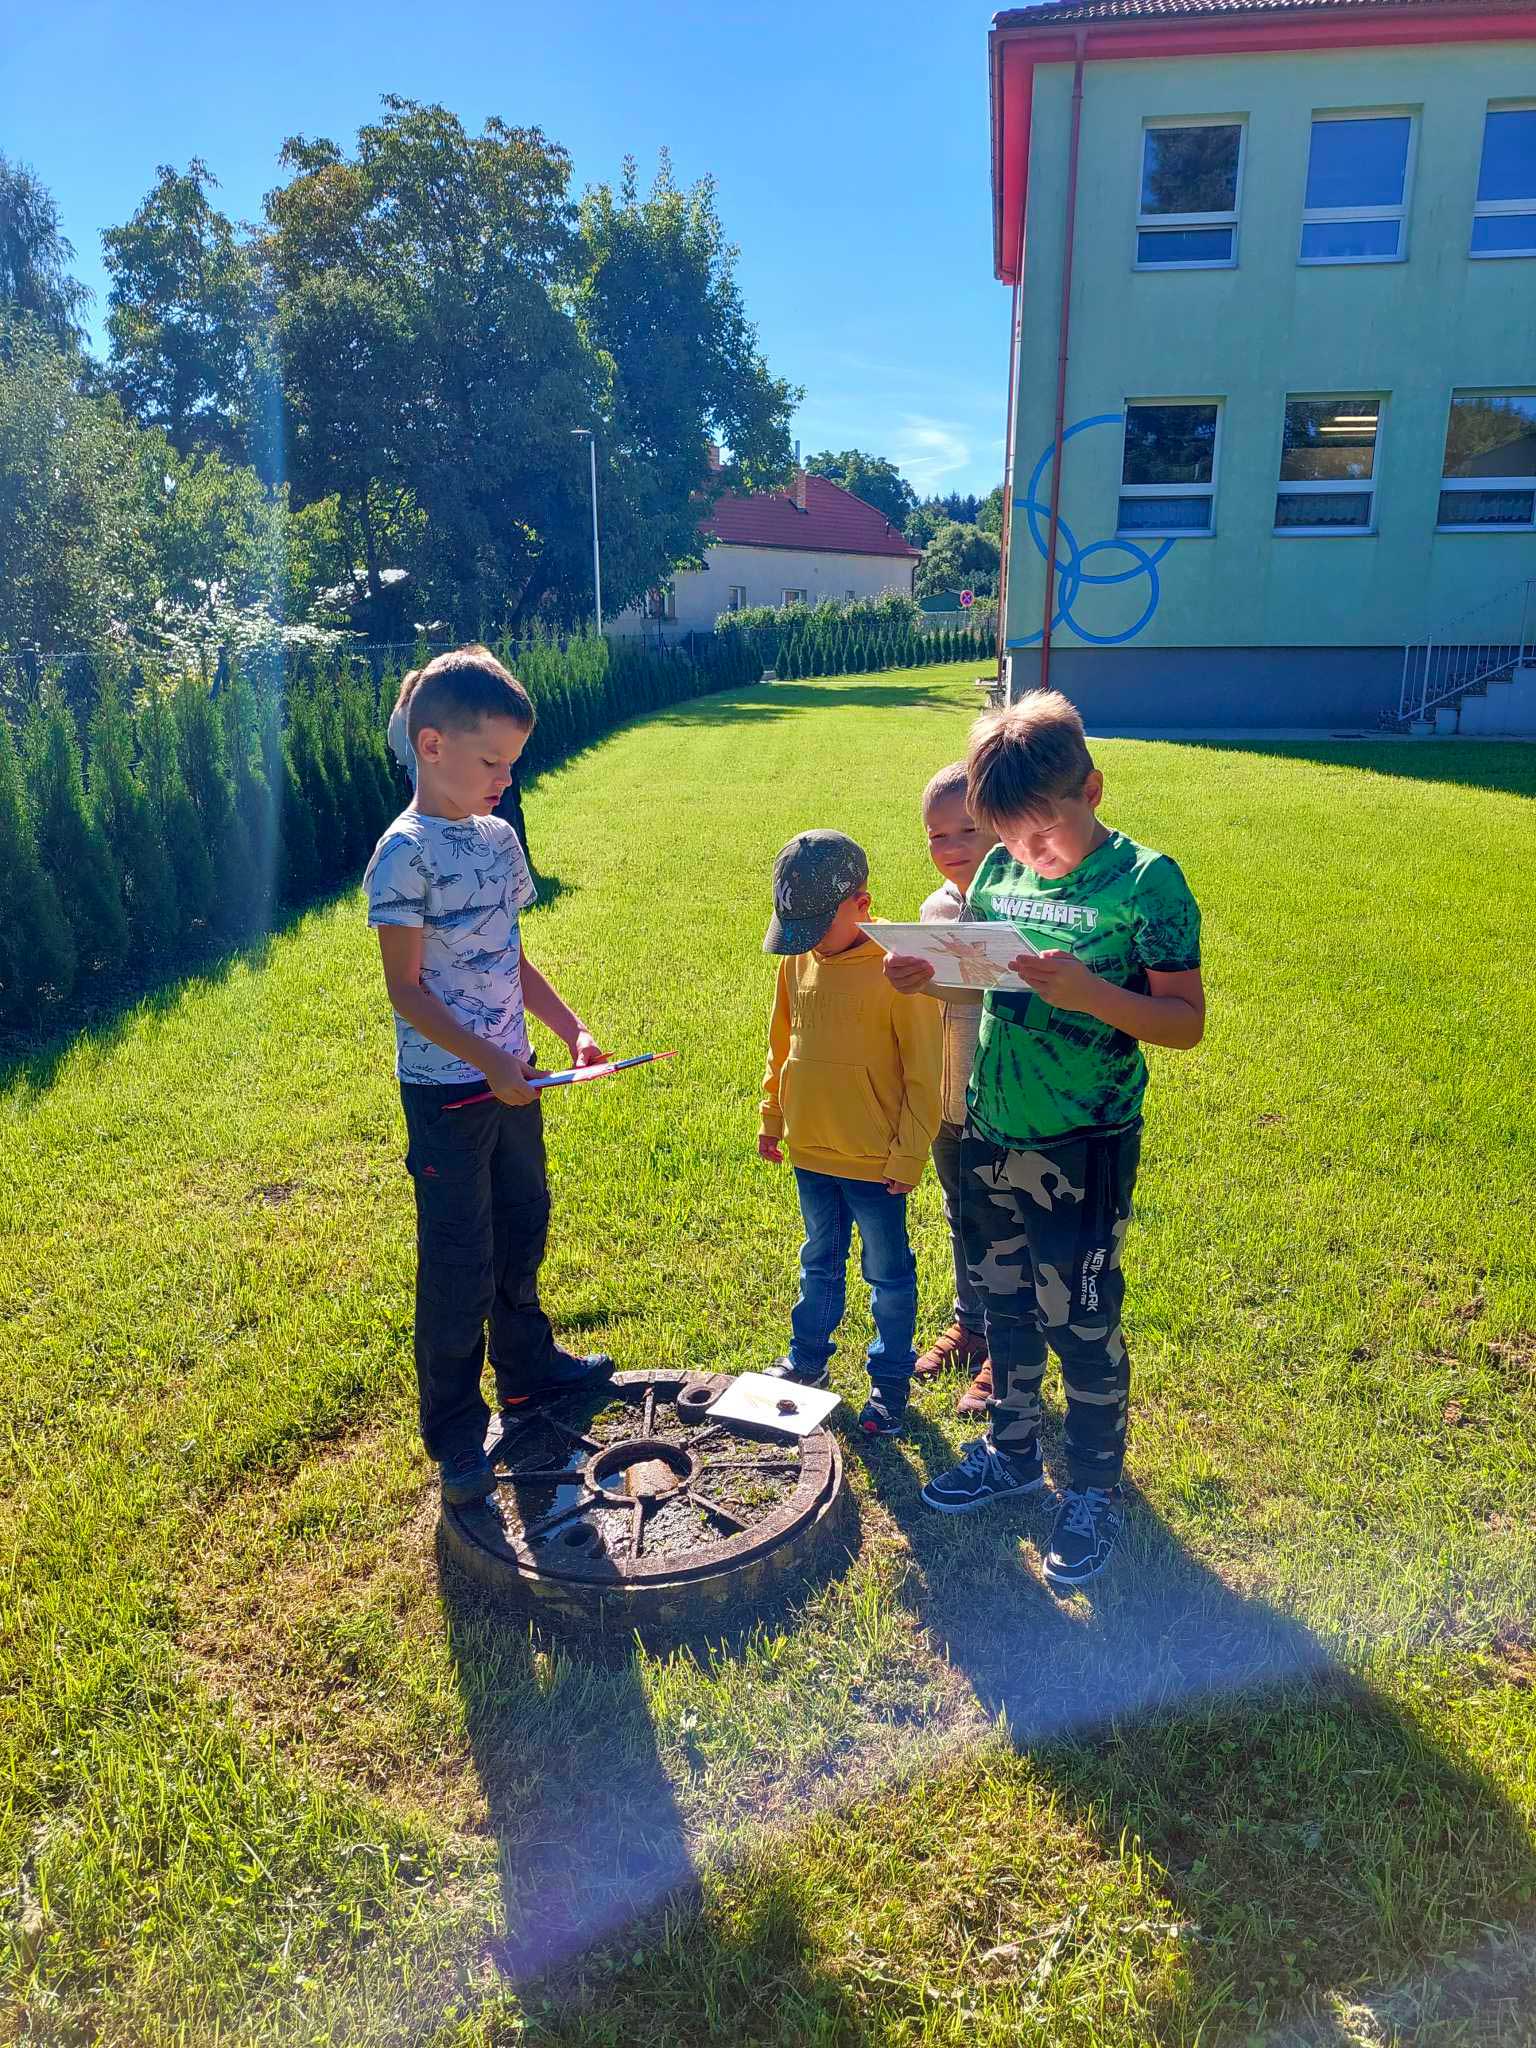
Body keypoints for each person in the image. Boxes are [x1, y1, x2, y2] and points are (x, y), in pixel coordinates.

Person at [882, 691, 1204, 1585]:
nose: (1029, 855)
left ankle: (1093, 1484)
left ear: (1092, 790)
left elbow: (1184, 1022)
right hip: (990, 1127)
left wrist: (1092, 993)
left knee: (1082, 1320)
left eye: (1044, 835)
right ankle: (1013, 1451)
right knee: (1005, 1307)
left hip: (1082, 1142)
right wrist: (929, 974)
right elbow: (985, 981)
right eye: (1011, 840)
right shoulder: (999, 875)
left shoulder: (1147, 884)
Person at [364, 645, 613, 1505]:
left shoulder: (500, 840)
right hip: (449, 1094)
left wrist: (570, 1029)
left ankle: (528, 1370)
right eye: (491, 762)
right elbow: (407, 992)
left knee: (523, 1223)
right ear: (432, 746)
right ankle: (457, 1434)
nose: (506, 779)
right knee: (459, 1261)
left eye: (512, 763)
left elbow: (513, 959)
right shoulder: (403, 856)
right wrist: (491, 1064)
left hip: (516, 1081)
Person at [758, 831, 943, 1439]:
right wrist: (773, 1118)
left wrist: (910, 1153)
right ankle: (806, 1361)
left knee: (887, 1275)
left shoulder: (901, 971)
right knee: (818, 1261)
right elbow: (782, 1044)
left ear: (861, 904)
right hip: (811, 1150)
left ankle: (890, 1381)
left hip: (876, 1163)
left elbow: (925, 1072)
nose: (806, 940)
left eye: (816, 924)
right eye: (797, 927)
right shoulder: (798, 958)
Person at [911, 761, 992, 1411]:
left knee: (1004, 1220)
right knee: (960, 1212)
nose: (953, 848)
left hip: (1002, 1101)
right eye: (938, 836)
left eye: (968, 829)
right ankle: (971, 1324)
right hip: (946, 1097)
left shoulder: (1014, 904)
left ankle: (1008, 1345)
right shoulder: (933, 909)